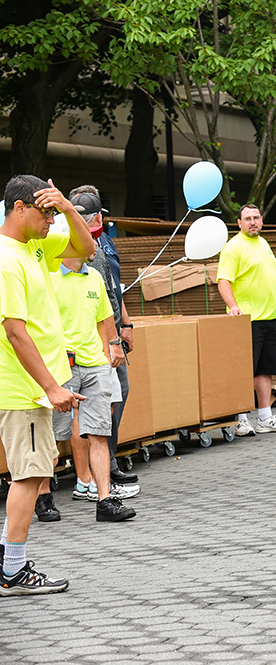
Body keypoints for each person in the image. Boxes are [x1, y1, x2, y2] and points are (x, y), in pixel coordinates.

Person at [0, 175, 95, 595]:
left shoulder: (34, 247)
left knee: (32, 472)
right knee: (28, 476)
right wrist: (51, 388)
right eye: (46, 212)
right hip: (25, 390)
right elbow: (15, 332)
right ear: (19, 208)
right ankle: (12, 569)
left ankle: (8, 560)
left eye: (54, 212)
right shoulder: (7, 259)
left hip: (34, 388)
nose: (51, 220)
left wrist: (69, 207)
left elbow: (86, 248)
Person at [51, 250, 136, 522]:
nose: (93, 246)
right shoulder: (48, 276)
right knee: (52, 435)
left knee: (99, 431)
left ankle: (104, 500)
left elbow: (104, 317)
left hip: (94, 363)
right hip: (60, 364)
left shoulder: (95, 276)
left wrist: (113, 346)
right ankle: (43, 497)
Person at [67, 187, 139, 488]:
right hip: (87, 337)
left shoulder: (105, 242)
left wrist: (125, 324)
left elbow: (112, 288)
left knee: (115, 396)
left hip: (107, 330)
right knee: (88, 408)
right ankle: (88, 476)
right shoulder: (70, 245)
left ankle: (105, 464)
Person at [217, 203, 276, 435]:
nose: (253, 222)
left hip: (269, 317)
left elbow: (268, 277)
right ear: (239, 223)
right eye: (248, 218)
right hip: (247, 319)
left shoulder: (263, 244)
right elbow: (223, 281)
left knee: (264, 369)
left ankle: (265, 417)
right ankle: (241, 419)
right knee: (244, 370)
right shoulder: (233, 248)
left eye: (256, 217)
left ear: (262, 220)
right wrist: (233, 306)